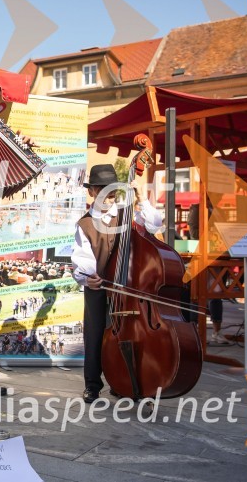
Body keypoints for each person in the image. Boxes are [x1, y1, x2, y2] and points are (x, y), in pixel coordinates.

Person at [71, 164, 164, 404]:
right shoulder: (85, 224)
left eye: (112, 194)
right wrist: (88, 277)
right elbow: (81, 260)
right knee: (94, 335)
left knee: (129, 334)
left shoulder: (127, 213)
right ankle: (92, 384)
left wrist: (141, 197)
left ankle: (123, 380)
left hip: (129, 288)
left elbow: (155, 225)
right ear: (91, 192)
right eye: (102, 192)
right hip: (99, 287)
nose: (107, 198)